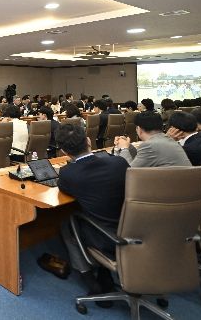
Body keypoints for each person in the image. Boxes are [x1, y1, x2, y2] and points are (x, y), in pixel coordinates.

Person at [57, 123, 129, 300]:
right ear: (89, 141)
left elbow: (66, 188)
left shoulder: (68, 173)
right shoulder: (119, 162)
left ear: (63, 152)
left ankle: (89, 279)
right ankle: (104, 273)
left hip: (106, 239)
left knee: (67, 222)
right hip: (137, 229)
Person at [114, 111, 191, 167]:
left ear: (139, 129)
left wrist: (124, 148)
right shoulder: (168, 139)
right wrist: (128, 146)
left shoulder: (150, 145)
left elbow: (128, 171)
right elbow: (140, 159)